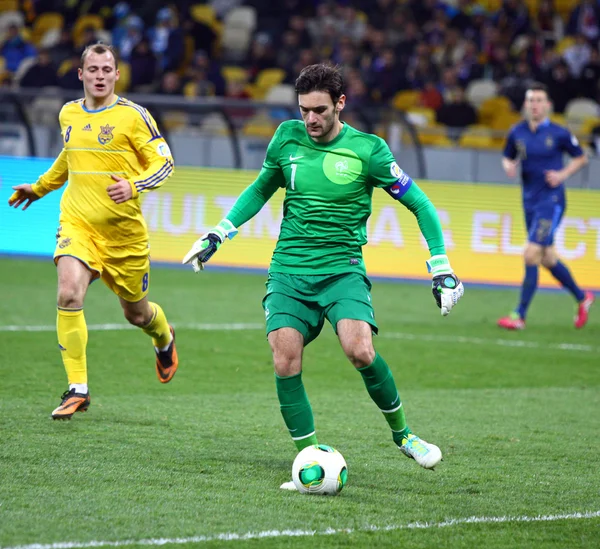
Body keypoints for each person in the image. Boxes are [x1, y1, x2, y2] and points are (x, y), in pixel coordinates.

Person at [182, 64, 464, 488]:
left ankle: (404, 435)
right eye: (303, 110)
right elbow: (261, 188)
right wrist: (218, 233)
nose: (310, 120)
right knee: (285, 359)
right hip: (289, 270)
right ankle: (308, 461)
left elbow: (421, 204)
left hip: (342, 269)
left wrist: (440, 265)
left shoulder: (369, 150)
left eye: (318, 110)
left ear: (340, 104)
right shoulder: (286, 137)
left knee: (360, 351)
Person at [8, 43, 179, 420]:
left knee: (136, 314)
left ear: (117, 75)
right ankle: (78, 389)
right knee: (69, 293)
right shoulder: (68, 113)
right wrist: (38, 188)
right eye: (93, 69)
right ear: (81, 74)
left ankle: (164, 337)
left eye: (107, 69)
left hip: (124, 236)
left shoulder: (134, 116)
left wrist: (134, 186)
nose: (100, 76)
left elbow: (165, 163)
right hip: (78, 223)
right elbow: (69, 158)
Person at [497, 82, 594, 330]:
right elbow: (508, 155)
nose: (535, 105)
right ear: (526, 105)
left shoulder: (560, 133)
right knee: (548, 258)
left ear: (548, 105)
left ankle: (519, 315)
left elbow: (581, 157)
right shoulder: (517, 132)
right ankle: (583, 298)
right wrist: (508, 165)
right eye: (531, 100)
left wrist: (562, 175)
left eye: (539, 100)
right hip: (529, 201)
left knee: (531, 253)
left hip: (551, 201)